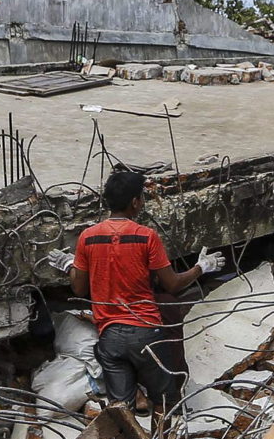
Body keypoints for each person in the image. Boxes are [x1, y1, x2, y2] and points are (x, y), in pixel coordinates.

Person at [67, 166, 222, 410]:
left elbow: (78, 288)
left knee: (120, 410)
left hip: (110, 337)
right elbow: (171, 284)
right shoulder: (145, 236)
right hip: (146, 333)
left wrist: (70, 266)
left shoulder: (88, 237)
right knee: (166, 402)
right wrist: (201, 267)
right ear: (135, 202)